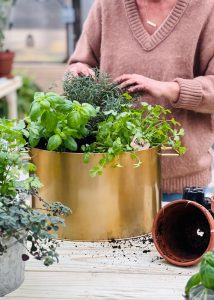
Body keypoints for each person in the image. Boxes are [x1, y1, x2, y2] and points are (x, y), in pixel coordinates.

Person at [65, 0, 214, 200]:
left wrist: (168, 89)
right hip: (110, 174)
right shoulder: (107, 5)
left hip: (181, 186)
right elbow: (79, 62)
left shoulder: (206, 8)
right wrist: (78, 72)